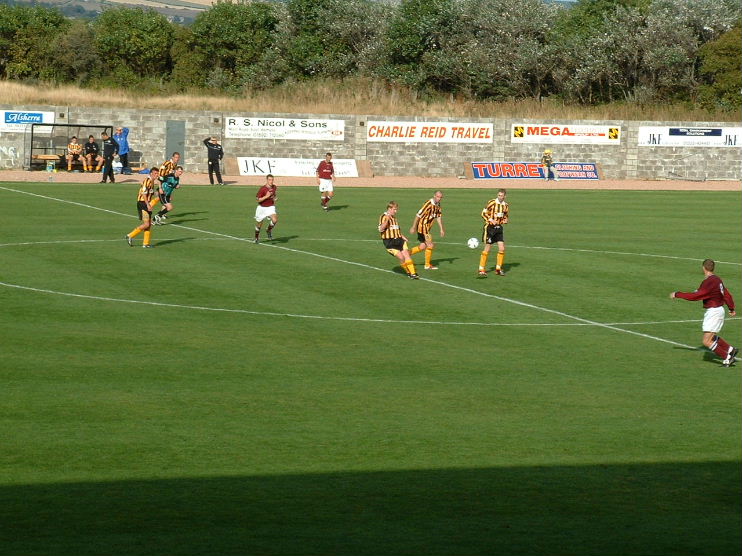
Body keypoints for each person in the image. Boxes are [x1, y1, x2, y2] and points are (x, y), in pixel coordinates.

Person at [670, 259, 738, 367]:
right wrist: (731, 308)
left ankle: (727, 358)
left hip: (714, 311)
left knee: (706, 341)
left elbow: (696, 296)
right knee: (711, 336)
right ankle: (730, 349)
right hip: (719, 310)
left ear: (703, 268)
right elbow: (726, 294)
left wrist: (678, 294)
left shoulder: (708, 282)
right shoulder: (717, 279)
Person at [379, 201, 419, 279]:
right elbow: (381, 229)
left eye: (396, 209)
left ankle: (413, 273)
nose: (396, 211)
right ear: (389, 209)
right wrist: (387, 220)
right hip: (389, 242)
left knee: (406, 255)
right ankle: (408, 272)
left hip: (399, 240)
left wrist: (403, 236)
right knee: (401, 258)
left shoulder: (394, 218)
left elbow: (396, 230)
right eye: (394, 209)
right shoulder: (383, 216)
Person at [409, 190, 445, 270]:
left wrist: (441, 229)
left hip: (427, 228)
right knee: (430, 245)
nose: (439, 199)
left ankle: (407, 254)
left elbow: (438, 217)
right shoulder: (428, 204)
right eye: (438, 197)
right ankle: (427, 265)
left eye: (440, 197)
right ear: (434, 196)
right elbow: (418, 215)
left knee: (422, 246)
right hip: (422, 227)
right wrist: (413, 227)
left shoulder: (438, 205)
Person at [478, 188, 509, 277]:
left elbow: (506, 215)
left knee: (502, 248)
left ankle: (498, 269)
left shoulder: (506, 205)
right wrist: (491, 220)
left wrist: (505, 220)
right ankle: (481, 269)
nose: (500, 197)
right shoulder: (492, 202)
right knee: (487, 248)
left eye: (501, 196)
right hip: (490, 228)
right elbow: (483, 213)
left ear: (505, 196)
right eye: (498, 195)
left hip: (499, 228)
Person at [124, 168, 159, 248]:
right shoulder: (147, 181)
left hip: (146, 203)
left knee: (149, 224)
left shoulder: (152, 181)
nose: (156, 175)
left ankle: (146, 243)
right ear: (151, 173)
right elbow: (143, 194)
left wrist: (155, 193)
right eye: (155, 173)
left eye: (157, 173)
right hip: (143, 203)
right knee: (146, 224)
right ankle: (130, 235)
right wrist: (148, 205)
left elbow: (149, 192)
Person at [254, 174, 278, 243]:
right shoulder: (262, 189)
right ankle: (256, 238)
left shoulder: (274, 187)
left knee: (275, 220)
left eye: (272, 180)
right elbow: (258, 200)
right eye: (270, 180)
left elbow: (273, 195)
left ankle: (268, 230)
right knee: (259, 224)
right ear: (267, 180)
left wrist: (274, 198)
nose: (271, 181)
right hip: (261, 208)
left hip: (270, 207)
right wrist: (266, 196)